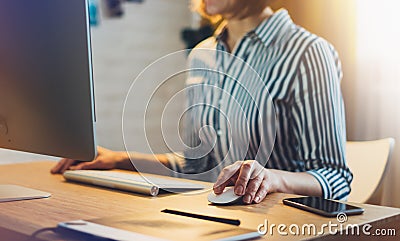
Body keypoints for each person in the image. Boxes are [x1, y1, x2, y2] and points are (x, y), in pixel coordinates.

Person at [52, 0, 353, 204]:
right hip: (224, 219)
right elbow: (198, 165)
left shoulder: (308, 52)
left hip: (281, 224)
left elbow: (335, 177)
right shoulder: (202, 55)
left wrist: (272, 178)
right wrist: (118, 160)